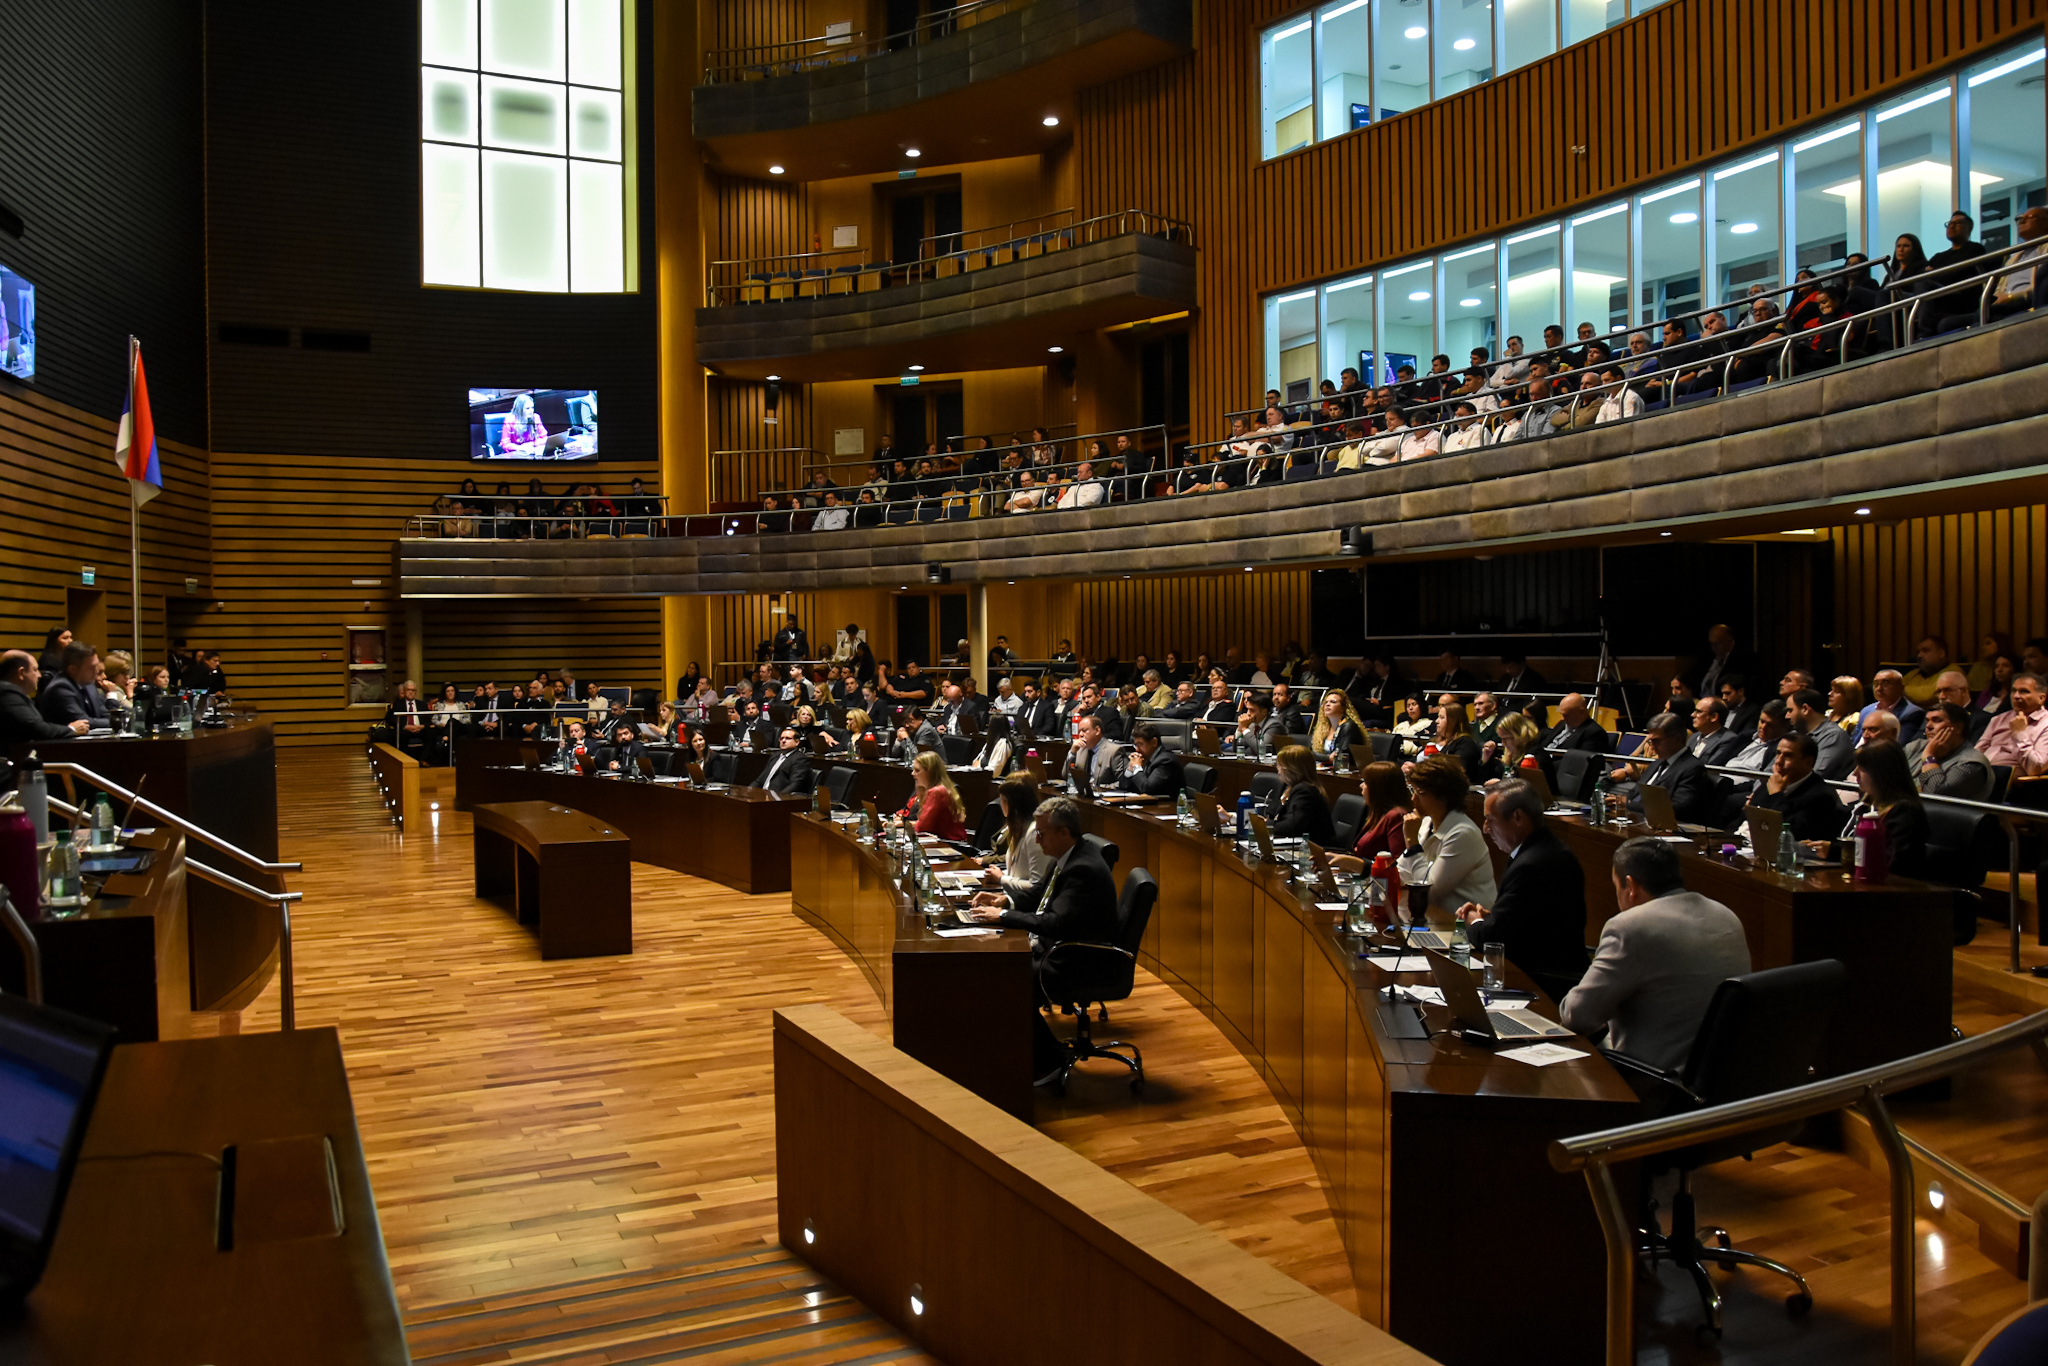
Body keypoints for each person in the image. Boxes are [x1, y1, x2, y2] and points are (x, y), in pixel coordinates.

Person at [1559, 838, 1752, 1073]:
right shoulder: (1727, 916)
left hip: (1650, 1082)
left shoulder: (1630, 927)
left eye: (1616, 887)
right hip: (1720, 1081)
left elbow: (1577, 1016)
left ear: (1630, 886)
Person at [965, 798, 1120, 1079]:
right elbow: (1039, 898)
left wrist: (1001, 918)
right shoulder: (1067, 855)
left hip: (1078, 960)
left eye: (1042, 834)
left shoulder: (1082, 869)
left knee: (1008, 978)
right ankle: (1040, 1052)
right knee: (1001, 970)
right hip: (1061, 948)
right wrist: (1004, 902)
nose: (1036, 840)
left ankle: (1048, 1063)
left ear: (1064, 832)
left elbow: (1054, 922)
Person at [1456, 781, 1589, 1000]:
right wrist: (1491, 919)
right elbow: (1528, 922)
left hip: (1545, 985)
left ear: (1517, 817)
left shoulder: (1533, 864)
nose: (1485, 828)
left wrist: (1473, 920)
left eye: (1490, 820)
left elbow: (1491, 939)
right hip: (1534, 971)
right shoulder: (1542, 850)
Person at [1394, 755, 1497, 919]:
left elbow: (1428, 891)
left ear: (1442, 795)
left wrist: (1412, 844)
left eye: (1420, 792)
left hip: (1462, 928)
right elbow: (1402, 875)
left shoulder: (1462, 833)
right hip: (1435, 919)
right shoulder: (1427, 823)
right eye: (1412, 790)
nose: (1413, 799)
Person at [1841, 741, 1929, 879]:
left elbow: (1894, 865)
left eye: (1862, 768)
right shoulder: (1869, 804)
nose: (1855, 773)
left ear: (1882, 773)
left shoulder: (1904, 812)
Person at [1623, 713, 1720, 827]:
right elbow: (1635, 792)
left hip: (1669, 829)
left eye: (1656, 741)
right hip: (1638, 821)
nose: (1652, 747)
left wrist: (1629, 804)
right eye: (1650, 741)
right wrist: (1623, 801)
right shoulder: (1657, 763)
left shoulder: (1693, 768)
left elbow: (1678, 808)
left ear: (1677, 738)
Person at [1747, 732, 1842, 843]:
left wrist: (1777, 795)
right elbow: (1751, 813)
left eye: (1788, 756)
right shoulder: (1776, 779)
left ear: (1808, 762)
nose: (1778, 762)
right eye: (1778, 754)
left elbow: (1790, 834)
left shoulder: (1821, 796)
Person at [1904, 702, 1993, 801]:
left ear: (1958, 727)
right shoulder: (1915, 747)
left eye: (1936, 720)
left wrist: (1929, 756)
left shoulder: (1972, 763)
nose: (1928, 726)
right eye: (1927, 721)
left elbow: (1935, 796)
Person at [1, 650, 88, 742]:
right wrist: (71, 729)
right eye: (35, 670)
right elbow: (38, 729)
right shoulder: (7, 693)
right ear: (21, 673)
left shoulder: (11, 692)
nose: (39, 675)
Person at [984, 780, 1050, 896]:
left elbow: (1036, 886)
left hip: (1026, 906)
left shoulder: (1034, 833)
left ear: (1010, 804)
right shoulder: (1017, 829)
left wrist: (1001, 878)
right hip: (1012, 896)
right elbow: (1017, 872)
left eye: (1002, 800)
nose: (1000, 804)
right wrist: (996, 874)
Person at [1978, 672, 2048, 776]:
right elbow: (1978, 751)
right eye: (2013, 691)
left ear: (2041, 698)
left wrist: (2019, 733)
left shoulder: (2045, 724)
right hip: (1982, 776)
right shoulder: (1998, 719)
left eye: (2024, 691)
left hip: (2015, 784)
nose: (2016, 696)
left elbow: (2036, 768)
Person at [1266, 745, 1336, 843]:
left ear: (1291, 769)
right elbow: (1272, 812)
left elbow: (1292, 827)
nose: (1278, 769)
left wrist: (1266, 824)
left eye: (1280, 765)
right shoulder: (1287, 786)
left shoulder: (1305, 791)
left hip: (1310, 850)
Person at [35, 641, 109, 727]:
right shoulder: (60, 688)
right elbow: (84, 722)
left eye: (97, 666)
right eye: (91, 668)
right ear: (73, 669)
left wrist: (115, 720)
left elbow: (105, 714)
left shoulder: (89, 686)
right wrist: (116, 722)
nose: (96, 671)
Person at [898, 750, 968, 840]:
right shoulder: (943, 788)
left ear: (930, 772)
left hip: (949, 845)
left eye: (917, 770)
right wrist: (904, 823)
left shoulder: (937, 792)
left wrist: (905, 824)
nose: (913, 773)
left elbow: (922, 828)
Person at [1788, 687, 1854, 780]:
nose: (1787, 716)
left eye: (1790, 710)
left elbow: (1817, 775)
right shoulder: (1794, 734)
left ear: (1805, 709)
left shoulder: (1833, 736)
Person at [1114, 722, 1184, 797]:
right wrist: (1130, 769)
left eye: (1140, 744)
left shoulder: (1166, 761)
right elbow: (1124, 787)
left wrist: (1137, 767)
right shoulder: (1146, 758)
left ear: (1154, 742)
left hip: (1166, 806)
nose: (1137, 750)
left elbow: (1148, 789)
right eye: (1136, 745)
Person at [1859, 669, 1925, 746]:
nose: (1879, 689)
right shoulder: (1866, 710)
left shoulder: (1912, 713)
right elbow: (1855, 740)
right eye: (1876, 684)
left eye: (1885, 684)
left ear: (1901, 688)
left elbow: (1898, 744)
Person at [1065, 713, 1124, 790]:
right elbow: (1065, 775)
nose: (1080, 735)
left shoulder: (1114, 751)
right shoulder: (1080, 749)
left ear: (1097, 730)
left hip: (1104, 798)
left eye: (1084, 730)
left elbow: (1124, 782)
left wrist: (1101, 788)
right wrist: (1072, 752)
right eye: (1079, 731)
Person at [1686, 698, 1747, 767]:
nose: (1693, 715)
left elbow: (1712, 767)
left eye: (1699, 712)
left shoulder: (1728, 739)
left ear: (1714, 717)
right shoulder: (1694, 737)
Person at [1309, 690, 1365, 766]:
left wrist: (1323, 757)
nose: (1328, 704)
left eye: (1333, 702)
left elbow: (1342, 757)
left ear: (1343, 708)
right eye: (1326, 702)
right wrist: (1328, 758)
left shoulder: (1349, 727)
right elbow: (1310, 753)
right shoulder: (1322, 728)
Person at [753, 726, 813, 794]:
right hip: (763, 794)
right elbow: (760, 780)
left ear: (797, 742)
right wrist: (749, 790)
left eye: (788, 738)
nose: (783, 741)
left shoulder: (800, 759)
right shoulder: (775, 756)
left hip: (778, 797)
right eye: (781, 738)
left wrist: (778, 797)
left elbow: (795, 784)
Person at [498, 393, 548, 457]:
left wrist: (532, 444)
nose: (531, 411)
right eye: (527, 408)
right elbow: (505, 444)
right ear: (519, 410)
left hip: (532, 452)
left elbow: (545, 438)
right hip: (516, 455)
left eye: (532, 407)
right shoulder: (509, 420)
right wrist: (520, 448)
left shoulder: (535, 417)